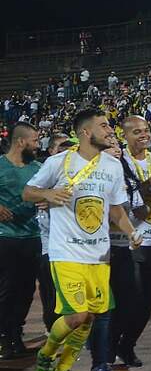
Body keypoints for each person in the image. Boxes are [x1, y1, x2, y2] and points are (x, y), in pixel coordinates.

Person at [25, 109, 142, 371]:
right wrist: (48, 194)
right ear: (86, 133)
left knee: (90, 316)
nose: (109, 130)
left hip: (99, 255)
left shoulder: (112, 166)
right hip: (66, 252)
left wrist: (131, 232)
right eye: (103, 126)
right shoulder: (58, 162)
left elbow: (115, 209)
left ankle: (64, 369)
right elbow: (28, 192)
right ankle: (45, 356)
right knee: (76, 315)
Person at [108, 116, 151, 370]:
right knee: (128, 299)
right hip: (124, 240)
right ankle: (109, 345)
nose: (143, 135)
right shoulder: (117, 163)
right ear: (125, 136)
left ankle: (128, 345)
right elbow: (127, 208)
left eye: (146, 130)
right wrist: (150, 186)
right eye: (136, 132)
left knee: (147, 302)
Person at [0, 122, 42, 360]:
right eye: (35, 141)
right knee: (6, 290)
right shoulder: (0, 166)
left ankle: (16, 334)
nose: (38, 146)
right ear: (21, 142)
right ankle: (3, 337)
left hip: (32, 236)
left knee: (26, 291)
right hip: (5, 238)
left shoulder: (38, 167)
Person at [35, 134, 74, 334]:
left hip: (72, 244)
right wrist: (45, 196)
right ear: (51, 151)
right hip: (47, 243)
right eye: (60, 148)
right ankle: (52, 327)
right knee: (50, 288)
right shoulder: (41, 175)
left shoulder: (75, 174)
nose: (66, 152)